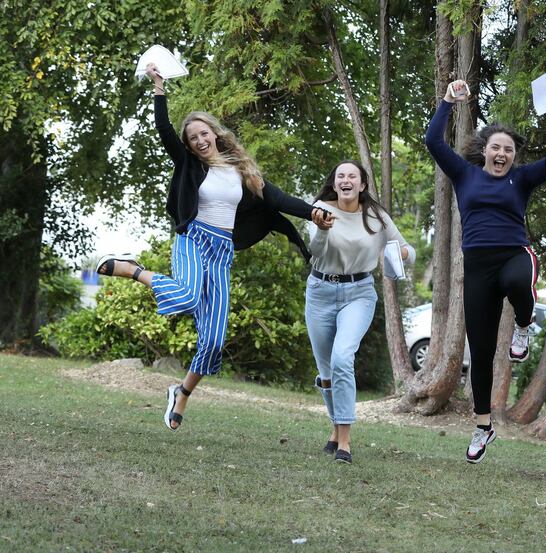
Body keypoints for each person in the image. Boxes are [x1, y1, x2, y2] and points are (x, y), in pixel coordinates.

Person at [95, 63, 332, 431]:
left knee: (214, 340)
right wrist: (159, 88)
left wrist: (313, 211)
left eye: (203, 134)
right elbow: (164, 131)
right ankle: (134, 269)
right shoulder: (188, 164)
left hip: (221, 251)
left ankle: (182, 392)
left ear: (215, 134)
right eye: (193, 138)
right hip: (193, 240)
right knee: (188, 297)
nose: (199, 141)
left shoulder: (242, 170)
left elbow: (279, 198)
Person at [424, 80, 546, 464]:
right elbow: (434, 142)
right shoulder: (464, 175)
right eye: (496, 148)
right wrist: (449, 101)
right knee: (481, 352)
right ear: (485, 151)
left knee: (519, 281)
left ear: (514, 156)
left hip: (513, 254)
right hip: (477, 266)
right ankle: (483, 425)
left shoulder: (522, 178)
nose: (502, 154)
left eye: (509, 150)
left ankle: (523, 324)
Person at [306, 160, 415, 465]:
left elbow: (409, 252)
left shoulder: (376, 216)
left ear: (362, 185)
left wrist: (400, 252)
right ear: (334, 182)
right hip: (320, 292)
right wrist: (323, 230)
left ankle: (344, 441)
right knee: (327, 372)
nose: (346, 180)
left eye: (352, 176)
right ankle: (335, 427)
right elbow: (315, 252)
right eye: (340, 175)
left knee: (343, 357)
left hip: (359, 293)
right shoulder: (319, 209)